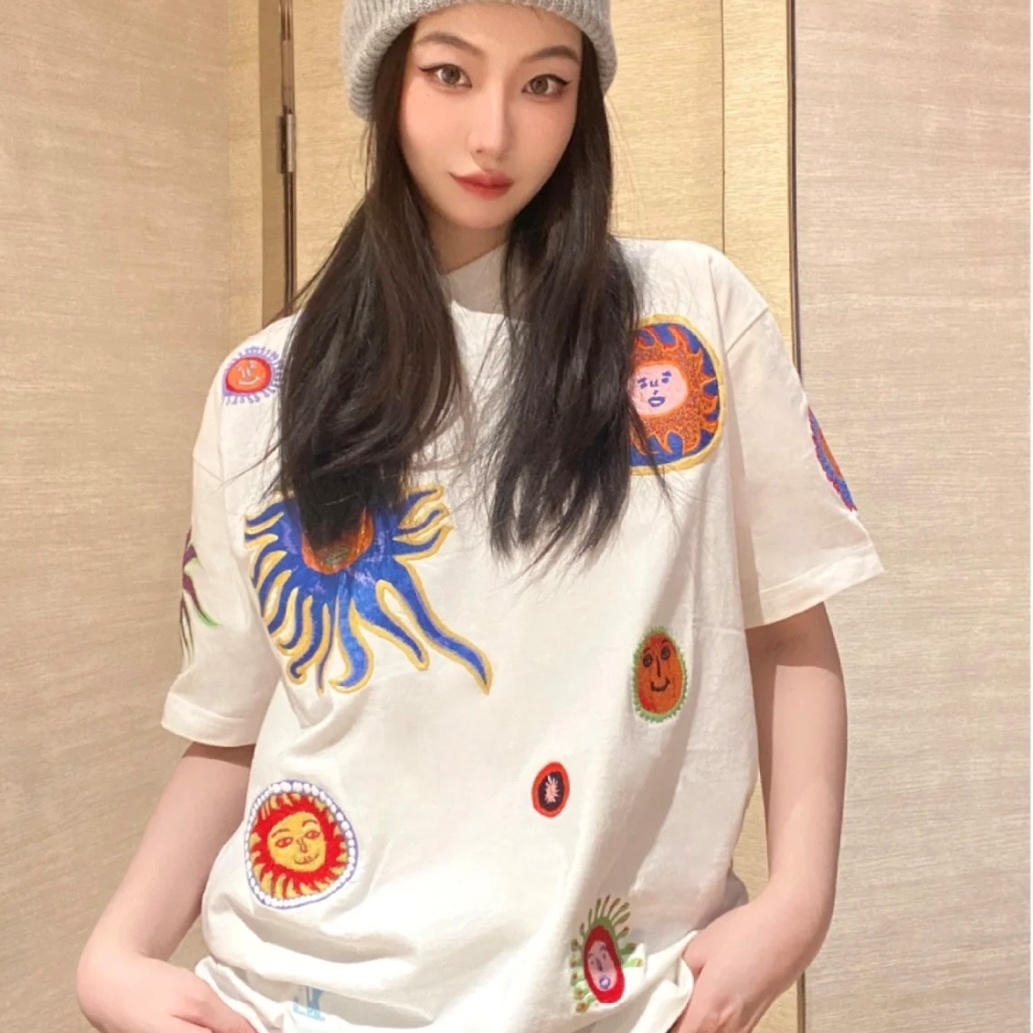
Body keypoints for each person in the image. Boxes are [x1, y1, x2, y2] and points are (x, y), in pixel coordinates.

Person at [76, 1, 883, 1032]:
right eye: (450, 74)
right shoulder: (264, 387)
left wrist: (798, 904)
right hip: (293, 998)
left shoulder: (690, 319)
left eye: (544, 82)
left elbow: (789, 627)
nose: (493, 133)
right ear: (384, 81)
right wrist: (114, 953)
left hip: (617, 999)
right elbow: (234, 729)